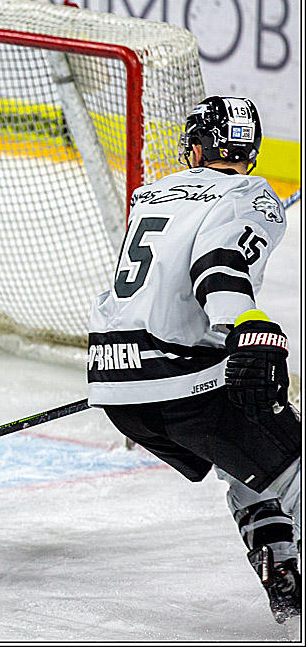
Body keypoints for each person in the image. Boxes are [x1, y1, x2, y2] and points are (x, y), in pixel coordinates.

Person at [87, 96, 300, 626]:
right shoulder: (253, 196)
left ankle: (279, 561)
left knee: (250, 462)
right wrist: (247, 324)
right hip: (182, 381)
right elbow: (219, 267)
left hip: (114, 381)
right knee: (293, 469)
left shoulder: (150, 193)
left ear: (198, 147)